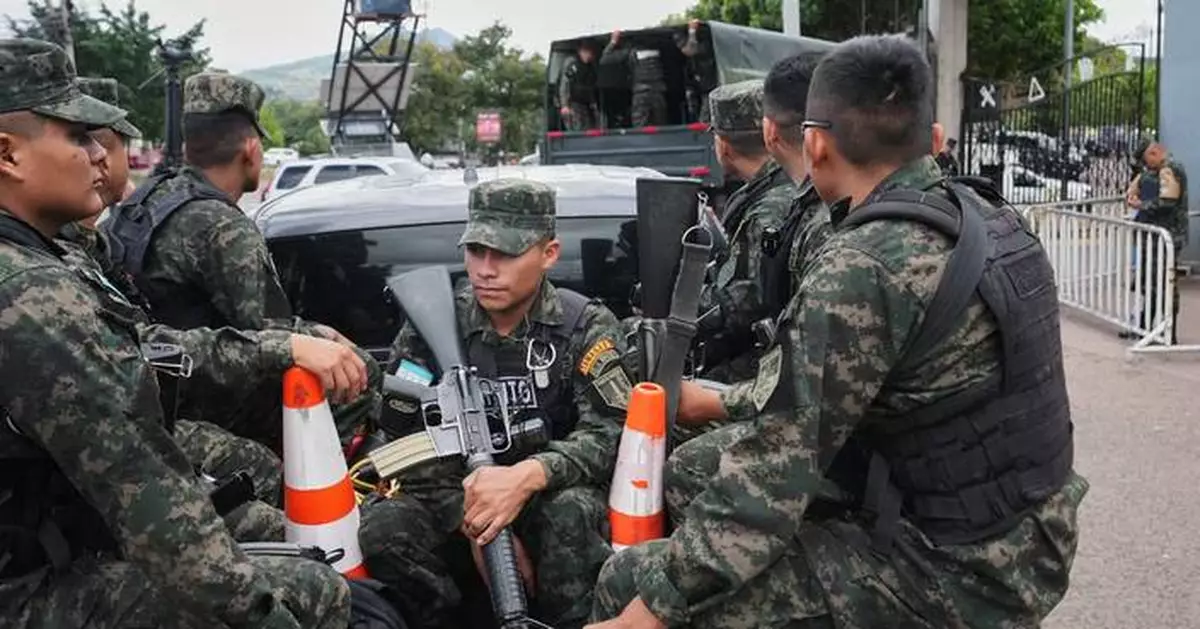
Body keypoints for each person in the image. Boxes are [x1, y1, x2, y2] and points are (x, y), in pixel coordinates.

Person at [586, 34, 1087, 629]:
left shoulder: (865, 264)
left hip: (959, 568)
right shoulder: (992, 217)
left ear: (815, 144)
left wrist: (648, 612)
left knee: (627, 580)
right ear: (931, 138)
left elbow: (767, 481)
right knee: (703, 478)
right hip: (1030, 526)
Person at [0, 37, 350, 629]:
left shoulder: (45, 256)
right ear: (7, 154)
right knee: (312, 591)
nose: (100, 154)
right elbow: (143, 486)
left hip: (51, 534)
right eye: (79, 136)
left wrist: (278, 346)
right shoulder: (30, 292)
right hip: (27, 585)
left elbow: (144, 351)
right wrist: (264, 615)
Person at [359, 179, 634, 629]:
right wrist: (476, 517)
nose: (486, 270)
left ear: (549, 253)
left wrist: (529, 476)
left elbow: (610, 433)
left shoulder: (585, 326)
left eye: (505, 254)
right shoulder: (432, 322)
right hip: (455, 500)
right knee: (385, 526)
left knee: (573, 512)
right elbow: (400, 438)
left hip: (546, 496)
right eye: (476, 251)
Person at [101, 71, 381, 449]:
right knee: (362, 373)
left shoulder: (148, 199)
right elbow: (274, 337)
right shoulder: (222, 227)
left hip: (154, 385)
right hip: (203, 406)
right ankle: (314, 475)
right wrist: (326, 341)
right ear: (250, 149)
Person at [694, 79, 797, 386]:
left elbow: (745, 302)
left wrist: (678, 307)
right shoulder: (780, 188)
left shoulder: (768, 207)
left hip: (761, 369)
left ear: (723, 145)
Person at [1123, 139, 1188, 343]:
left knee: (1165, 284)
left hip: (1168, 236)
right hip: (1160, 236)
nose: (1147, 166)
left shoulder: (1169, 169)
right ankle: (1147, 327)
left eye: (1147, 161)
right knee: (1152, 283)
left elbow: (1167, 202)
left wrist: (1141, 205)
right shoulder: (1160, 170)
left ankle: (1168, 332)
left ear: (1155, 153)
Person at [602, 30, 668, 127]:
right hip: (658, 92)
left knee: (640, 127)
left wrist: (613, 41)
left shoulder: (631, 51)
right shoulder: (659, 49)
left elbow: (605, 58)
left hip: (641, 93)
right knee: (660, 127)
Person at [558, 40, 600, 131]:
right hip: (573, 103)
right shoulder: (572, 63)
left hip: (586, 104)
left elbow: (591, 86)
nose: (589, 55)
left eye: (591, 53)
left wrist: (593, 102)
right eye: (586, 52)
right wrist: (565, 105)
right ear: (580, 51)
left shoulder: (591, 67)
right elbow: (565, 83)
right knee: (578, 128)